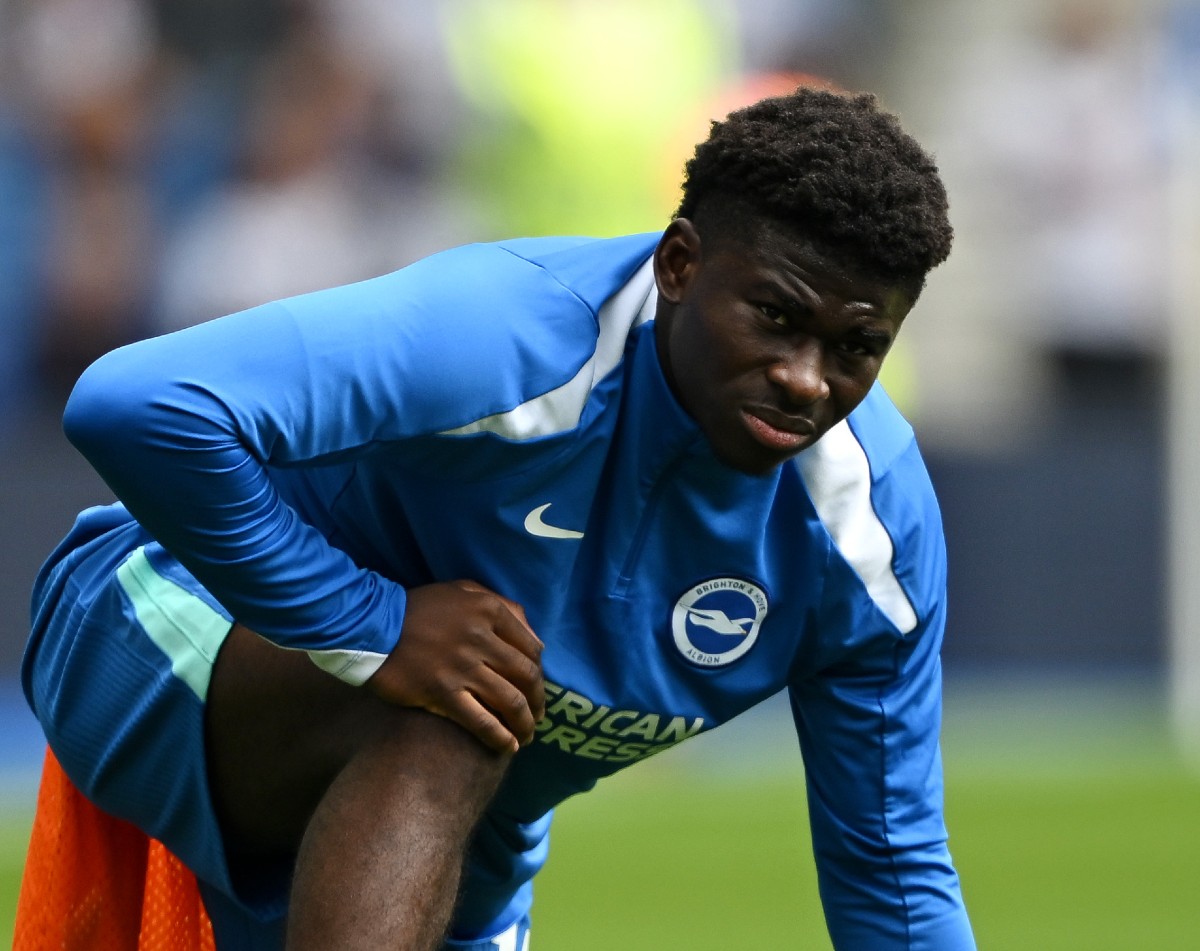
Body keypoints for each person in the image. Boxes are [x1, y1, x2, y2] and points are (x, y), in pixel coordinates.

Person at [21, 86, 975, 950]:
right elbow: (136, 403)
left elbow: (892, 874)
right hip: (156, 621)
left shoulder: (868, 535)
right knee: (466, 694)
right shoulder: (510, 335)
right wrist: (373, 624)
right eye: (774, 317)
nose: (808, 379)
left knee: (472, 701)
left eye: (856, 346)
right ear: (680, 263)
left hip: (463, 827)